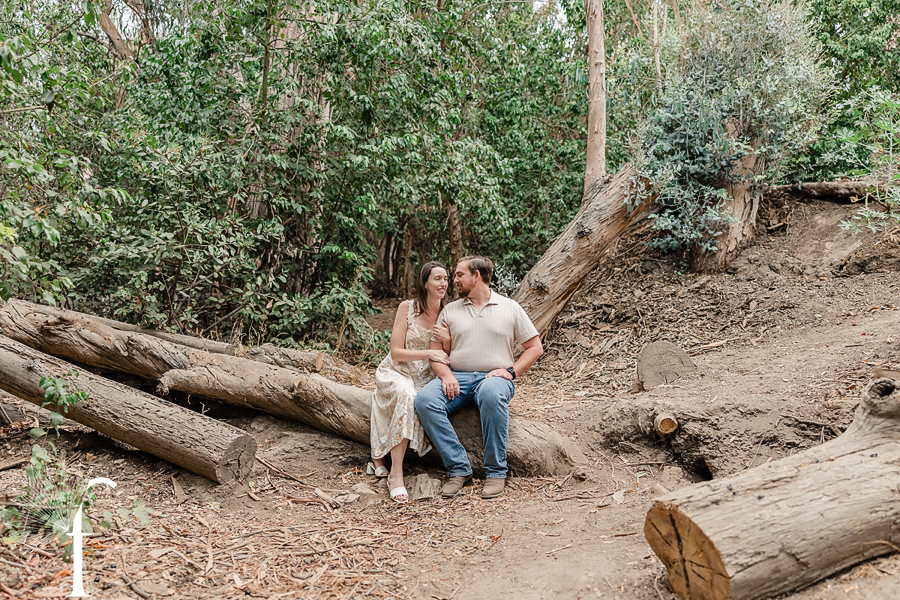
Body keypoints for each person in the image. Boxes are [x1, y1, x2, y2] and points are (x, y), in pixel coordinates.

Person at [415, 256, 543, 499]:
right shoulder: (450, 311)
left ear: (477, 276)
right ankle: (459, 469)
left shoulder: (510, 307)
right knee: (425, 401)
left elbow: (535, 348)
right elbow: (435, 353)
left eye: (459, 275)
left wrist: (511, 372)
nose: (454, 280)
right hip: (458, 377)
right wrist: (446, 376)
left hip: (494, 378)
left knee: (491, 393)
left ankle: (496, 472)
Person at [370, 261, 451, 503]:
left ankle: (382, 459)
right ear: (425, 282)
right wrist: (429, 353)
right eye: (437, 278)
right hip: (397, 371)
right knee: (407, 394)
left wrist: (446, 341)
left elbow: (449, 354)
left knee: (424, 399)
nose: (443, 283)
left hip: (427, 377)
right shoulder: (407, 308)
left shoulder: (449, 313)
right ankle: (396, 474)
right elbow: (396, 352)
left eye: (446, 278)